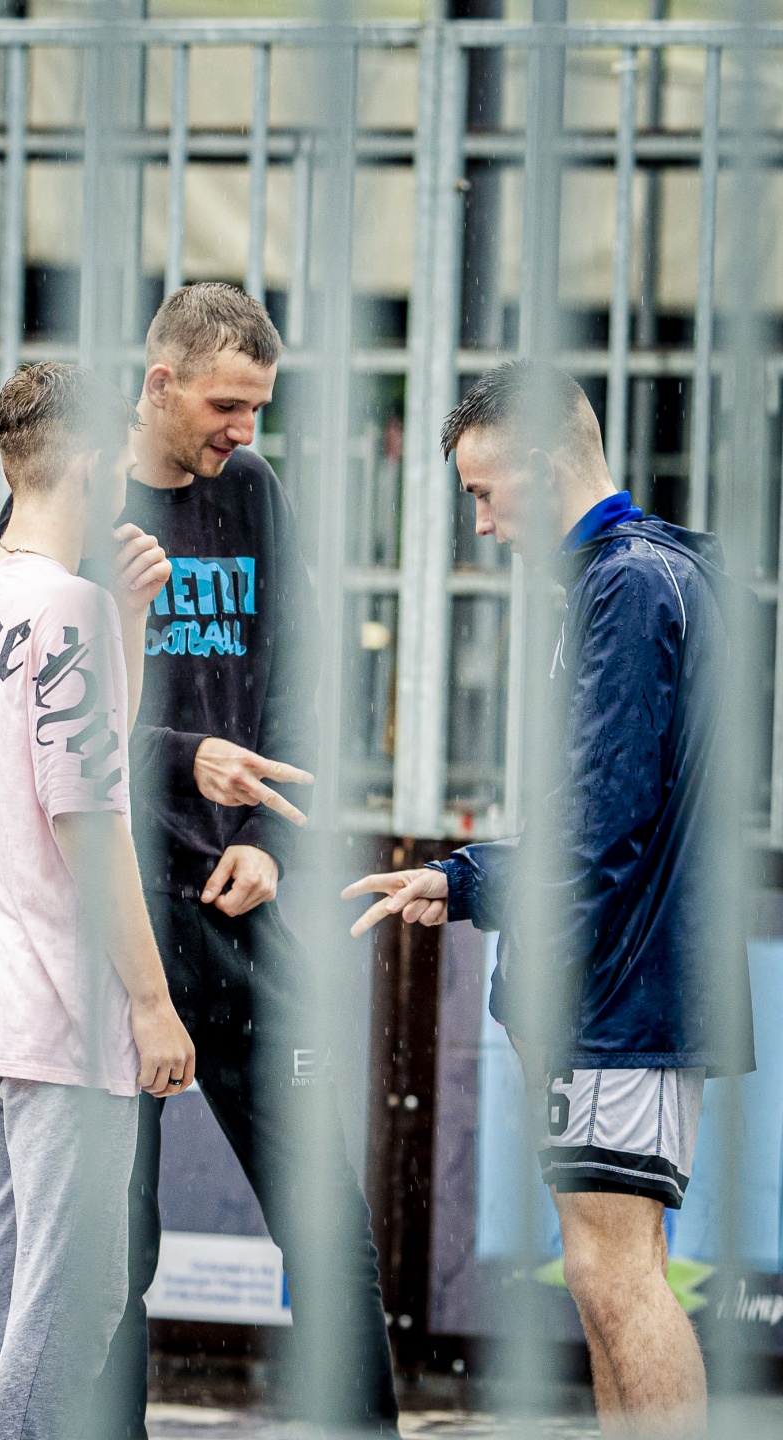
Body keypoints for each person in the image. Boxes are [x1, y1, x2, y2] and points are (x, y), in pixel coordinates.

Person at [0, 284, 399, 1437]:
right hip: (116, 917)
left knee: (328, 1225)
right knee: (112, 1249)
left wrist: (270, 844)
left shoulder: (254, 489)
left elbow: (304, 689)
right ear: (159, 383)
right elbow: (31, 718)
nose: (244, 429)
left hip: (235, 909)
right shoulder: (76, 496)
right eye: (226, 405)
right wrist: (184, 755)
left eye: (259, 406)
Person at [344, 360, 755, 1438]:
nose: (482, 523)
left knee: (617, 1276)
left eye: (485, 492)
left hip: (619, 991)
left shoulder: (627, 583)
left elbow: (602, 824)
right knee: (608, 1272)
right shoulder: (648, 572)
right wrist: (463, 879)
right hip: (634, 980)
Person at [0, 362, 196, 1440]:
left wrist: (125, 620)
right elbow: (89, 817)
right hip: (62, 1013)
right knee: (71, 1305)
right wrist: (152, 1001)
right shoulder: (64, 607)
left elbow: (83, 759)